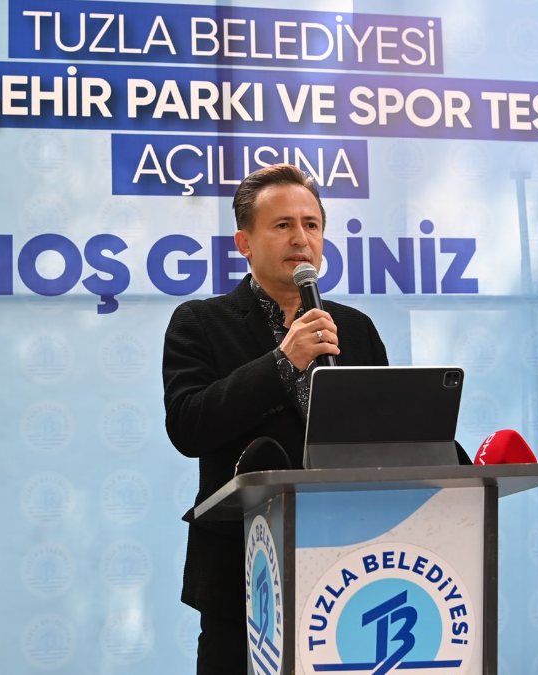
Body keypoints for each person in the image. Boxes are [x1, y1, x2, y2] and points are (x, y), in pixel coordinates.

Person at [162, 164, 389, 674]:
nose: (301, 238)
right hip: (244, 576)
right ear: (244, 242)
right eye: (282, 225)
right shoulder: (200, 322)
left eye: (311, 225)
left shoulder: (355, 328)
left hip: (352, 569)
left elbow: (384, 439)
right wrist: (283, 362)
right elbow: (188, 425)